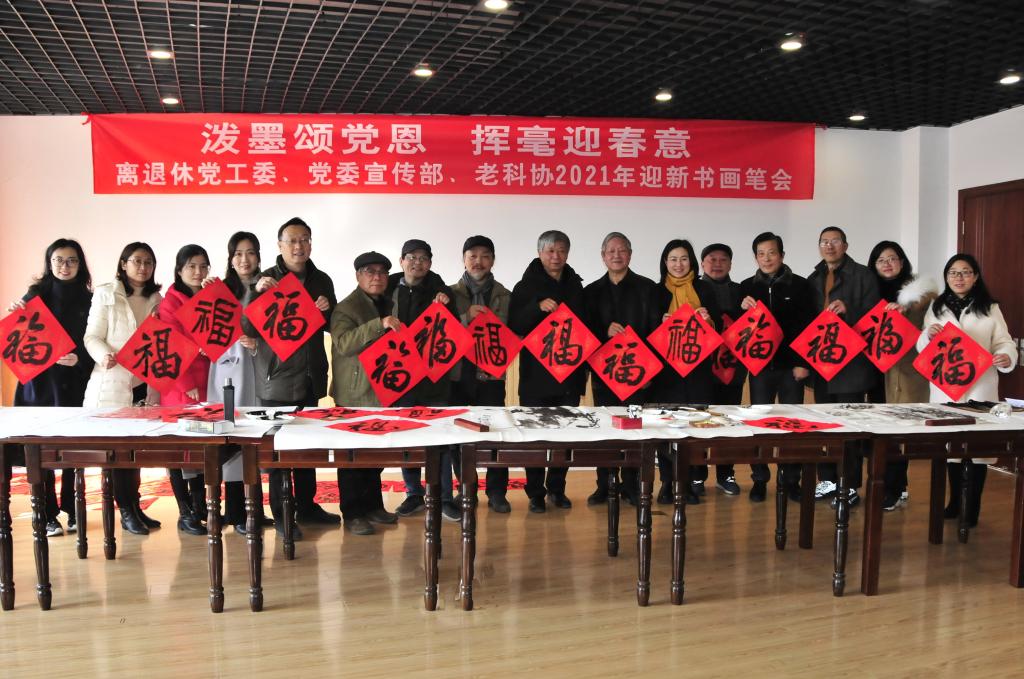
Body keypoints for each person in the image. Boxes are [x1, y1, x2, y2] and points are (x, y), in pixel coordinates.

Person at [246, 217, 339, 538]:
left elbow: (331, 325)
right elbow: (247, 328)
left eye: (304, 240)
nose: (299, 246)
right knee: (278, 452)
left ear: (311, 243)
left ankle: (307, 506)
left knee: (307, 448)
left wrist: (327, 309)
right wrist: (255, 294)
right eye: (292, 241)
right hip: (277, 380)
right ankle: (282, 515)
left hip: (311, 376)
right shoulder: (266, 280)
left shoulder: (321, 279)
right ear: (280, 245)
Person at [918, 253, 1016, 527]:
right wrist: (927, 336)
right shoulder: (937, 306)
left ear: (975, 277)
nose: (959, 277)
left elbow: (1004, 341)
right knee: (950, 446)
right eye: (953, 272)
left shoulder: (989, 307)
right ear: (946, 277)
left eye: (965, 272)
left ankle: (971, 507)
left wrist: (1007, 356)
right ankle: (953, 502)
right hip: (946, 386)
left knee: (977, 449)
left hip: (980, 385)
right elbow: (922, 345)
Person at [7, 239, 94, 537]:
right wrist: (15, 312)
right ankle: (46, 513)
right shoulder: (35, 295)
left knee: (73, 449)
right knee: (40, 450)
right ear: (49, 263)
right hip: (40, 383)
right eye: (58, 260)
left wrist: (80, 358)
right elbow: (19, 335)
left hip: (75, 382)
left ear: (80, 265)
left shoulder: (90, 299)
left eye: (71, 260)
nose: (64, 266)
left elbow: (95, 339)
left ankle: (73, 508)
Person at [83, 242, 163, 535]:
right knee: (117, 452)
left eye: (148, 262)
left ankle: (135, 505)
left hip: (143, 383)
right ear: (123, 263)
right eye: (137, 261)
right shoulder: (106, 294)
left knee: (135, 451)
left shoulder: (157, 298)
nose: (143, 267)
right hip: (113, 379)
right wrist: (103, 354)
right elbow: (91, 336)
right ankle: (126, 511)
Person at [509, 230, 586, 513]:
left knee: (565, 436)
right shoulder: (525, 286)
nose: (556, 256)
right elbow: (514, 325)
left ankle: (557, 489)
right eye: (550, 251)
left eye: (561, 251)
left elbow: (586, 326)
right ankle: (535, 493)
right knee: (534, 436)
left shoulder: (576, 285)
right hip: (536, 377)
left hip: (569, 374)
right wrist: (536, 307)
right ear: (540, 253)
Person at [385, 239, 461, 522]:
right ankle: (414, 493)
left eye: (423, 258)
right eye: (411, 257)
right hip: (400, 376)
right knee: (407, 436)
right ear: (401, 260)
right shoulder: (387, 288)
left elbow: (452, 331)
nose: (417, 263)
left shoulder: (441, 291)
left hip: (433, 379)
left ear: (430, 264)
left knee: (440, 438)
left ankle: (443, 497)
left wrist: (446, 304)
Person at [582, 232, 660, 506]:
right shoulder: (591, 291)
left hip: (638, 374)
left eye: (622, 250)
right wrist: (603, 332)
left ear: (630, 254)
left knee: (635, 429)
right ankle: (604, 484)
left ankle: (632, 485)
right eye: (611, 251)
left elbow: (656, 331)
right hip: (604, 374)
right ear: (603, 256)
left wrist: (649, 372)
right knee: (605, 428)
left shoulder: (648, 288)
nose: (617, 255)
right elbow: (584, 333)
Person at [807, 226, 881, 506]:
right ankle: (827, 479)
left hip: (853, 363)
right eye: (824, 242)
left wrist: (850, 309)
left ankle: (848, 485)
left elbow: (875, 316)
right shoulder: (814, 278)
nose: (829, 246)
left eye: (835, 241)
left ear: (846, 246)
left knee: (850, 427)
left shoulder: (863, 275)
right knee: (826, 425)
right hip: (823, 362)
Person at [328, 251, 401, 534]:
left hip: (381, 391)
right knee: (352, 457)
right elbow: (344, 343)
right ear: (358, 275)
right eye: (370, 271)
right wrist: (378, 324)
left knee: (374, 455)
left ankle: (373, 506)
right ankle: (353, 513)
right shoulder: (346, 307)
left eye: (382, 272)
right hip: (354, 393)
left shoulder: (388, 302)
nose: (377, 277)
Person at [738, 232, 815, 502]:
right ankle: (759, 479)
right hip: (760, 368)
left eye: (772, 252)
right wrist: (742, 308)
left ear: (782, 255)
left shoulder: (801, 286)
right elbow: (738, 331)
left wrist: (803, 363)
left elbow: (809, 326)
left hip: (791, 368)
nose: (767, 258)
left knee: (792, 426)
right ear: (755, 257)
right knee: (759, 425)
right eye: (761, 253)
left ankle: (791, 480)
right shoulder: (746, 287)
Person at [648, 239, 721, 505]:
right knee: (666, 427)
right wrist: (659, 324)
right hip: (666, 371)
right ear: (665, 262)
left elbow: (719, 330)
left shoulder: (704, 289)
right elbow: (647, 331)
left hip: (698, 370)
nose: (678, 264)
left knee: (694, 426)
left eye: (683, 258)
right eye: (673, 259)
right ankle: (667, 482)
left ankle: (690, 482)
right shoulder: (655, 291)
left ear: (692, 262)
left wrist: (708, 320)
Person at [206, 232, 268, 535]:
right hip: (228, 372)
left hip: (260, 370)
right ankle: (235, 511)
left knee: (256, 438)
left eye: (250, 253)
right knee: (232, 435)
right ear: (230, 259)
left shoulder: (268, 288)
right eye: (238, 254)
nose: (245, 259)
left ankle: (255, 508)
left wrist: (257, 344)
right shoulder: (219, 289)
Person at [868, 240, 937, 510]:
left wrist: (905, 309)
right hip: (876, 369)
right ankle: (887, 484)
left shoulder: (920, 293)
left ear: (902, 261)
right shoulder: (870, 290)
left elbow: (930, 323)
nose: (887, 264)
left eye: (892, 258)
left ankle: (894, 488)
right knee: (878, 430)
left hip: (907, 371)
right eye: (881, 260)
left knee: (899, 430)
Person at [449, 236, 514, 513]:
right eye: (472, 255)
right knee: (460, 437)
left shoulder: (505, 296)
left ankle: (497, 492)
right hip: (458, 375)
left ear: (493, 260)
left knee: (496, 433)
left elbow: (515, 331)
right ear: (463, 259)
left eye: (485, 255)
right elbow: (442, 332)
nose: (478, 261)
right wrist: (466, 317)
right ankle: (467, 490)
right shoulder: (448, 294)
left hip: (491, 376)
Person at [156, 244, 213, 536]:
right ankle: (185, 512)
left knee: (200, 447)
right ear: (179, 270)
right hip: (181, 384)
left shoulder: (209, 297)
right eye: (191, 266)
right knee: (179, 451)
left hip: (208, 382)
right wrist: (185, 383)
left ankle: (200, 506)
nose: (198, 271)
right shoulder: (170, 302)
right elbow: (169, 345)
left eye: (203, 266)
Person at [699, 243, 745, 497]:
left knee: (728, 422)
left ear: (730, 264)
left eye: (723, 259)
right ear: (702, 263)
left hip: (732, 366)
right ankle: (696, 475)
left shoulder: (741, 290)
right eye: (711, 259)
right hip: (702, 368)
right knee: (698, 422)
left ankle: (725, 474)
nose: (717, 264)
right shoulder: (694, 289)